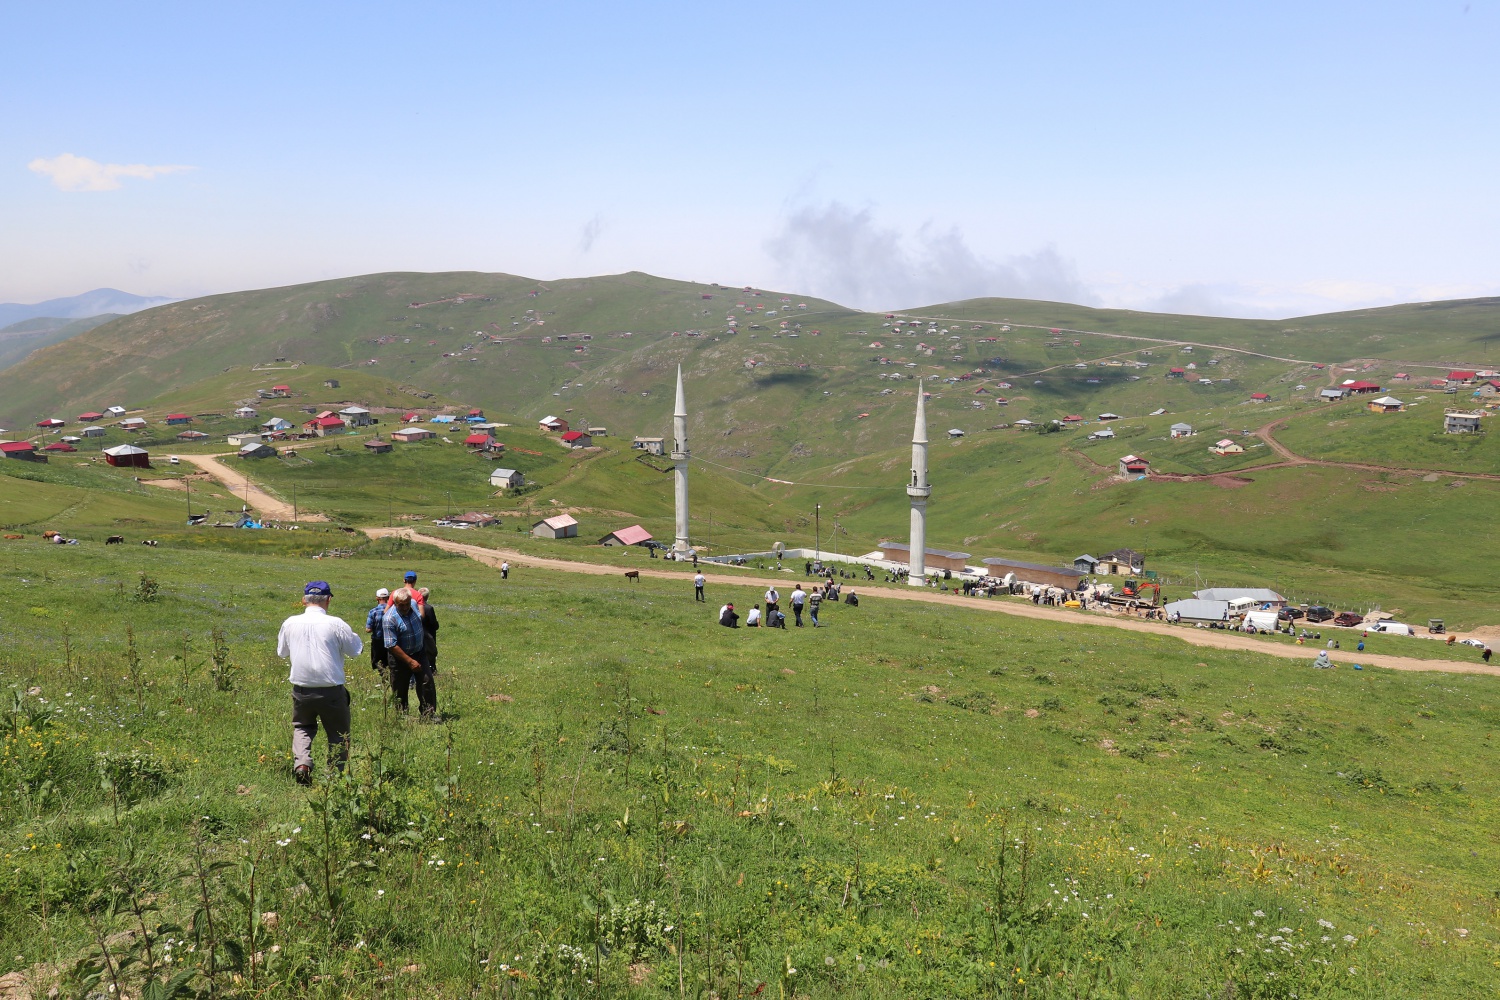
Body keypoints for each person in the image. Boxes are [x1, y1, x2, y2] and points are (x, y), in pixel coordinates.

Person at [276, 581, 362, 785]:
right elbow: (355, 650)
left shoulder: (290, 623)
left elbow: (282, 652)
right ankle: (333, 775)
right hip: (331, 689)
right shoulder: (336, 624)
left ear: (303, 600)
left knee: (302, 726)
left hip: (302, 688)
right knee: (338, 734)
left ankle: (303, 764)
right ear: (328, 600)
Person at [384, 588, 434, 717]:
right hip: (400, 658)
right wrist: (410, 661)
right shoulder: (389, 619)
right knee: (400, 688)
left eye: (407, 603)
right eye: (402, 605)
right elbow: (391, 645)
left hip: (419, 652)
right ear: (395, 603)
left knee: (427, 682)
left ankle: (428, 714)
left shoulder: (413, 605)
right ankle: (402, 716)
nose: (406, 607)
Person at [366, 588, 391, 676]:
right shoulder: (393, 610)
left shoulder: (373, 612)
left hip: (378, 641)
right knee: (389, 661)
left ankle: (383, 676)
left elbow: (368, 629)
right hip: (391, 640)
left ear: (377, 598)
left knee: (378, 662)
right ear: (388, 597)